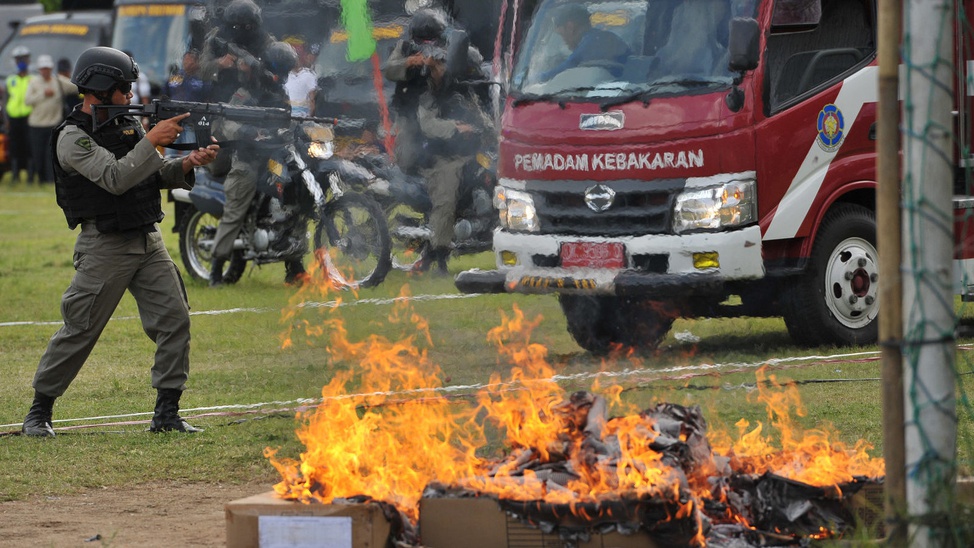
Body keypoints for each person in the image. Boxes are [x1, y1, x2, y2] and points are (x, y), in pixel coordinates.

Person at [19, 46, 220, 437]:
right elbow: (114, 178)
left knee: (174, 319)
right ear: (102, 86)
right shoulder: (72, 138)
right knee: (80, 329)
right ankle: (39, 412)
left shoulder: (128, 123)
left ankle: (166, 414)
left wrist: (187, 163)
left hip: (147, 238)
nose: (130, 94)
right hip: (105, 245)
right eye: (124, 87)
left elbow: (154, 172)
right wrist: (154, 141)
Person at [384, 8, 491, 275]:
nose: (437, 61)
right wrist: (457, 127)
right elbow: (428, 125)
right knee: (447, 186)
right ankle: (438, 254)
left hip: (455, 146)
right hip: (428, 149)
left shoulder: (458, 86)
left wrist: (497, 134)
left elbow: (481, 115)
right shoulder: (422, 86)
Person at [207, 40, 307, 286]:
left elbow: (288, 121)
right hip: (248, 158)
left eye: (285, 72)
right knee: (236, 210)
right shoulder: (245, 93)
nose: (282, 77)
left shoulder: (279, 95)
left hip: (273, 159)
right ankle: (216, 270)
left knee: (292, 201)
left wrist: (301, 131)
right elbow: (224, 123)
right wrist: (248, 131)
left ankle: (294, 267)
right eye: (279, 71)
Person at [538, 4, 630, 81]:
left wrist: (535, 79)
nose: (564, 41)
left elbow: (565, 67)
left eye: (561, 35)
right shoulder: (609, 38)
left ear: (570, 27)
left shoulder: (590, 44)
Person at [25, 54, 78, 183]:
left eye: (47, 68)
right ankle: (40, 179)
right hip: (36, 125)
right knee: (37, 154)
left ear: (51, 68)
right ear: (39, 69)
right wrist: (43, 94)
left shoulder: (58, 81)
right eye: (43, 68)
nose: (45, 71)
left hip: (53, 123)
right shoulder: (33, 82)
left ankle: (50, 180)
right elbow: (27, 101)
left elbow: (76, 88)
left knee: (51, 154)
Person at [4, 45, 33, 182]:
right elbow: (6, 101)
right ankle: (15, 176)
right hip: (14, 118)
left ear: (28, 60)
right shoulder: (10, 80)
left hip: (29, 117)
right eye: (18, 59)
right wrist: (6, 119)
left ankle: (30, 176)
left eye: (24, 58)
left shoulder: (32, 79)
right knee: (14, 146)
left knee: (28, 146)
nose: (21, 61)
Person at [282, 35, 319, 117]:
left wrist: (307, 120)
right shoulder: (285, 76)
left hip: (302, 120)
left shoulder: (308, 76)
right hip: (286, 120)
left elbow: (312, 101)